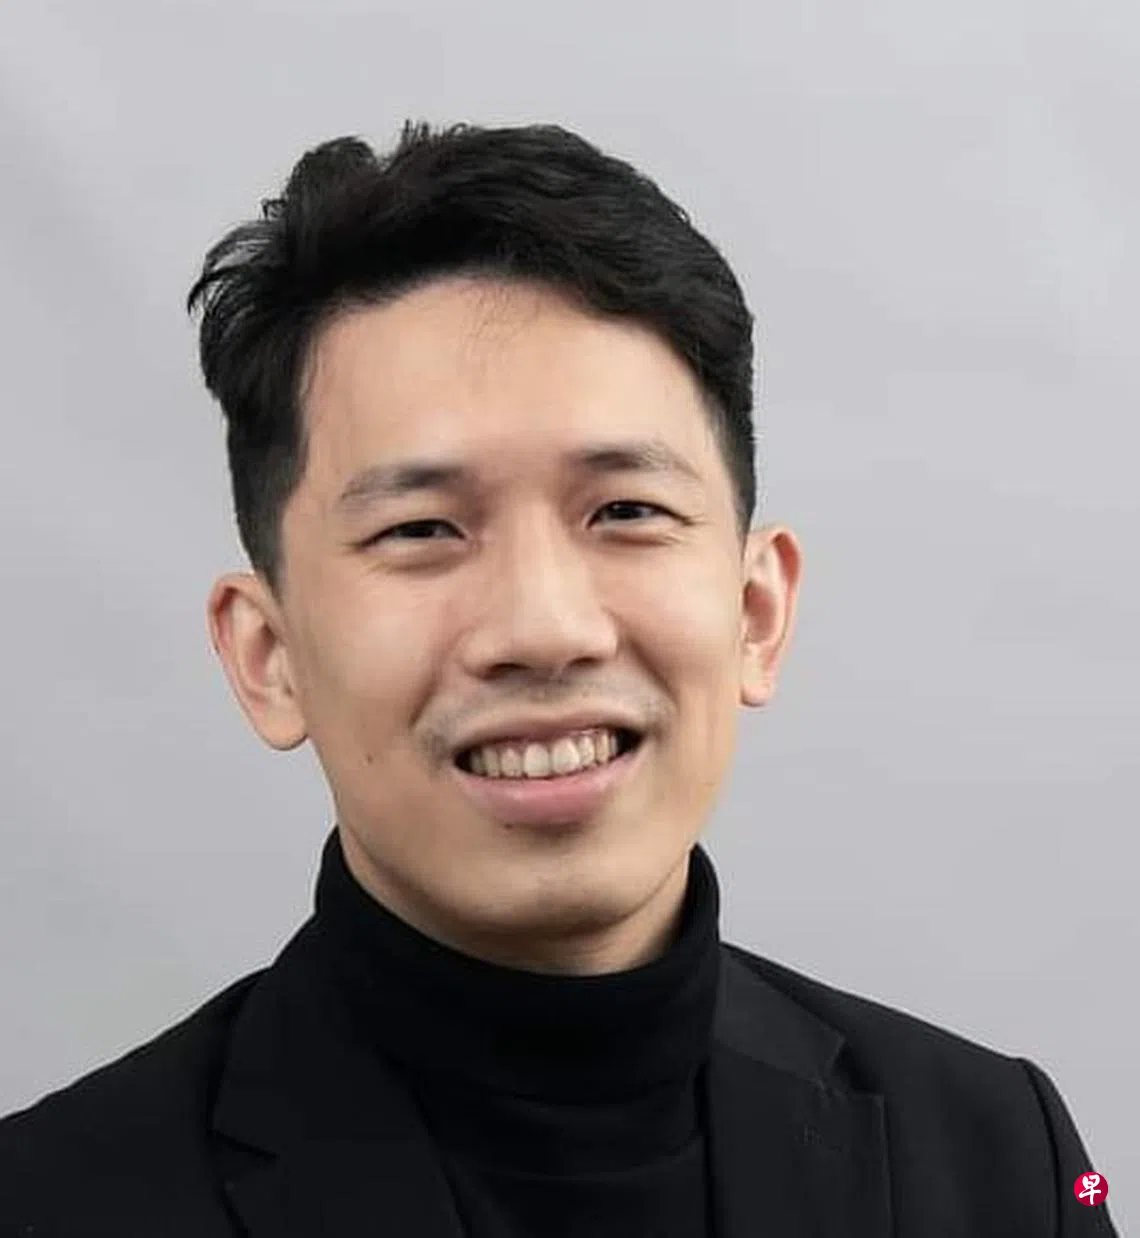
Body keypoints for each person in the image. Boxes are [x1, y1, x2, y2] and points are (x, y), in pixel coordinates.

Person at [0, 120, 1117, 1237]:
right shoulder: (51, 1202)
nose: (543, 628)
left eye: (626, 511)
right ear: (267, 654)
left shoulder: (1003, 1161)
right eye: (422, 528)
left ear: (756, 611)